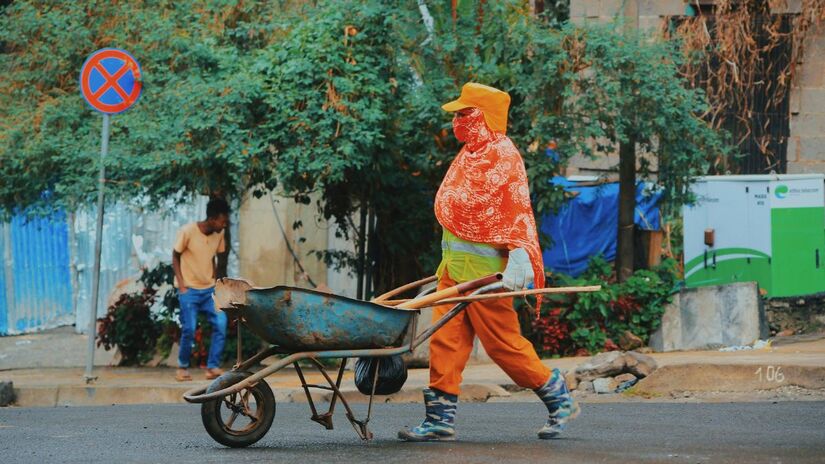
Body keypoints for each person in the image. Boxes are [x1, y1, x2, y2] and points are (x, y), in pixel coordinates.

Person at [398, 83, 579, 441]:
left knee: (503, 345)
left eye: (465, 113)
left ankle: (558, 396)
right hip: (452, 272)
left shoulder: (504, 155)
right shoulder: (468, 155)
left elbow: (516, 211)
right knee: (445, 343)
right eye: (457, 114)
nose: (458, 120)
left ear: (483, 117)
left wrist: (518, 257)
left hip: (488, 277)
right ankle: (438, 421)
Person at [172, 197, 230, 382]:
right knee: (189, 328)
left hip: (209, 290)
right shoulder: (187, 231)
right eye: (222, 221)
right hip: (189, 290)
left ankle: (212, 367)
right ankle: (182, 367)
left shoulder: (219, 234)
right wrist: (182, 285)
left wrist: (216, 283)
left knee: (221, 323)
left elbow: (214, 257)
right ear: (212, 219)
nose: (225, 225)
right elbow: (175, 256)